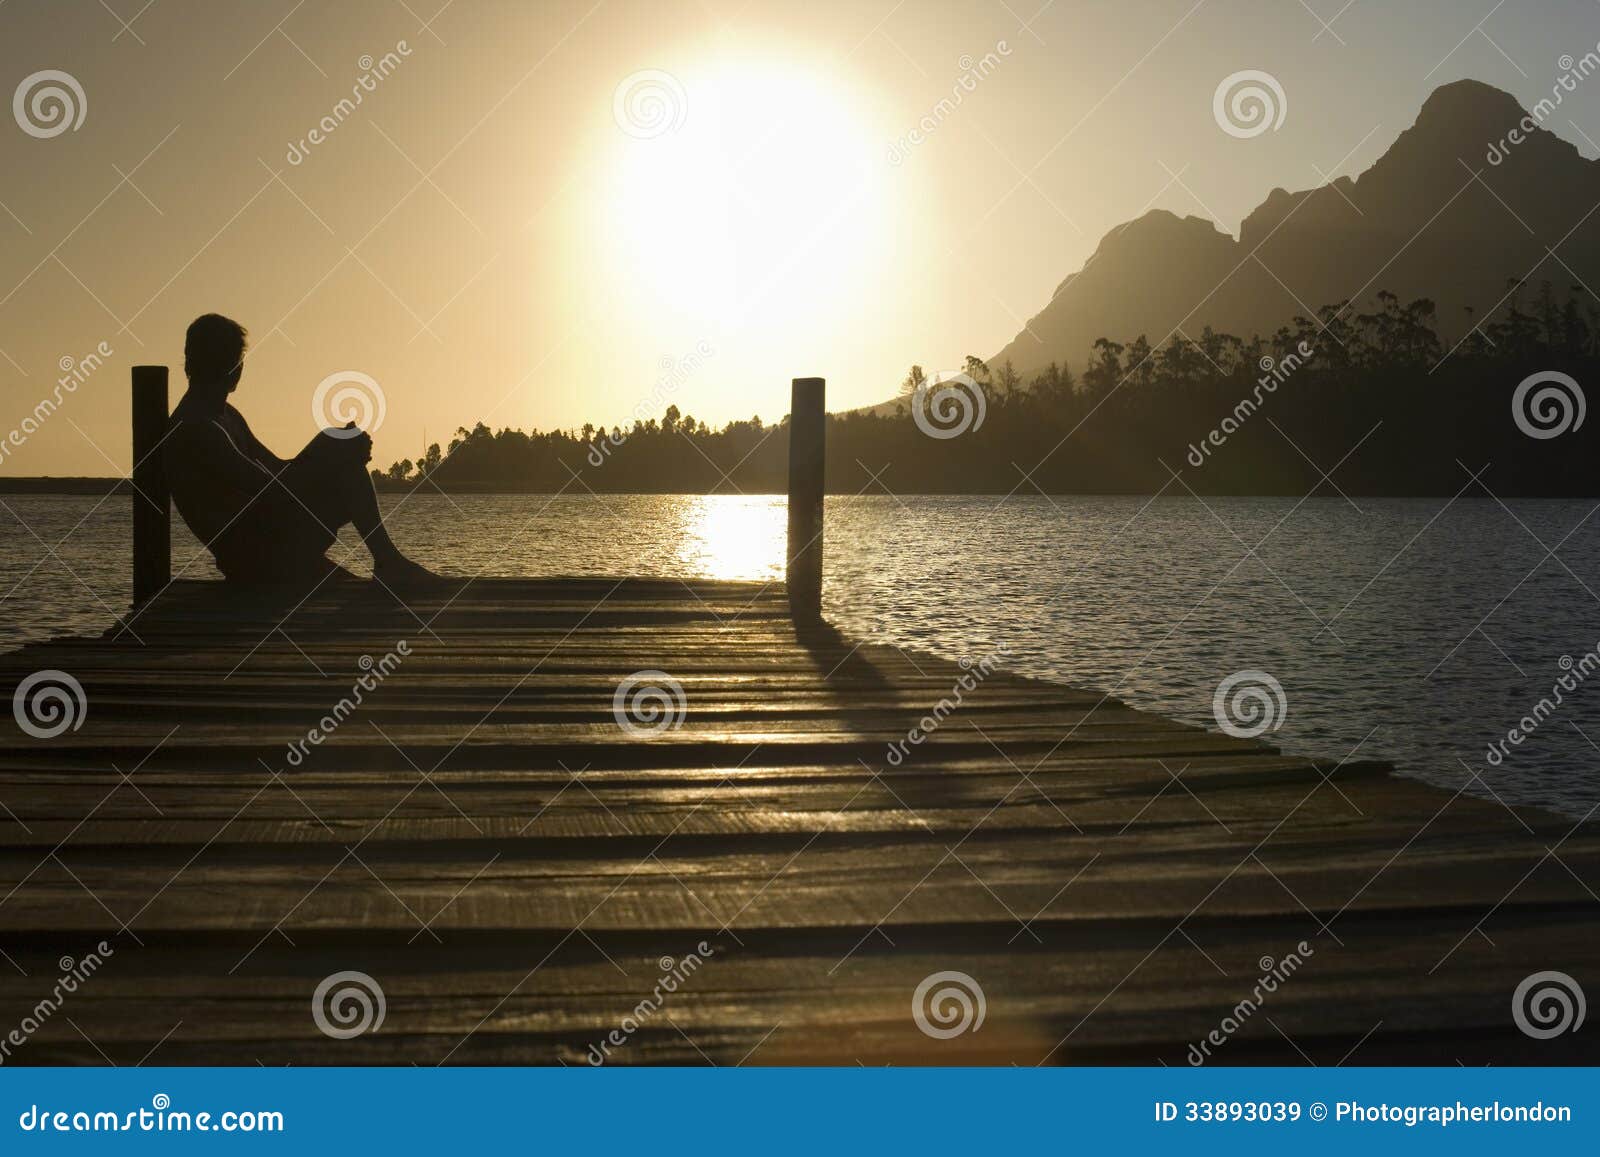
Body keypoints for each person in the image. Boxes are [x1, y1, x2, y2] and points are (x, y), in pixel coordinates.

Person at [164, 313, 441, 587]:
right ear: (234, 367)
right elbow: (269, 490)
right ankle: (388, 562)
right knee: (348, 473)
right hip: (255, 557)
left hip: (271, 538)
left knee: (346, 469)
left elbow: (279, 470)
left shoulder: (226, 416)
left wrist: (329, 447)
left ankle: (387, 561)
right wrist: (327, 451)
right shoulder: (196, 428)